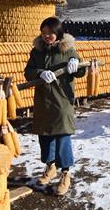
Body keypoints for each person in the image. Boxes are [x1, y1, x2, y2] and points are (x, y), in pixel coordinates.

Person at [25, 16, 86, 196]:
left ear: (58, 33)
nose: (47, 36)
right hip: (43, 101)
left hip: (62, 100)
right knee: (45, 136)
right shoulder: (36, 52)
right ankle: (50, 167)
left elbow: (81, 71)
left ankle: (65, 173)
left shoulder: (68, 50)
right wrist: (40, 72)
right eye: (44, 33)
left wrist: (77, 65)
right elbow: (28, 72)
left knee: (62, 136)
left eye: (51, 33)